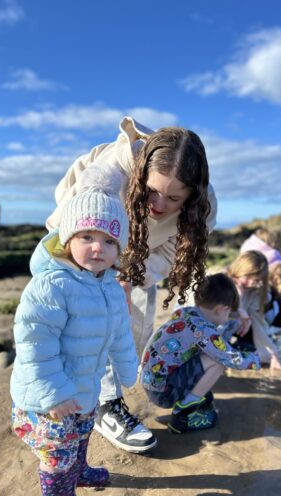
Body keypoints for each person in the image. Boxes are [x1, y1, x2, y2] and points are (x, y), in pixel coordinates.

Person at [46, 116, 217, 453]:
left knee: (134, 331)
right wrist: (105, 276)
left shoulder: (205, 205)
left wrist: (129, 277)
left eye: (173, 199)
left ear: (191, 196)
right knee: (92, 319)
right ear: (142, 174)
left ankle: (102, 390)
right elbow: (80, 217)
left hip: (141, 251)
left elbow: (170, 251)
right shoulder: (112, 171)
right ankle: (105, 405)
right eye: (152, 191)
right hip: (85, 230)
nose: (158, 204)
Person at [10, 186, 139, 496]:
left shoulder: (110, 285)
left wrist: (128, 368)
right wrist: (53, 393)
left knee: (82, 431)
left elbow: (120, 331)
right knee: (57, 451)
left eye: (110, 241)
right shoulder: (51, 286)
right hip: (48, 396)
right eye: (86, 236)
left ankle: (79, 472)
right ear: (67, 238)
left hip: (84, 386)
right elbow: (34, 345)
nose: (99, 247)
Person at [140, 273, 260, 433]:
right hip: (163, 394)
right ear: (220, 309)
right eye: (228, 312)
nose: (228, 316)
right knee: (218, 361)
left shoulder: (186, 312)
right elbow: (231, 359)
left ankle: (190, 396)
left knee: (204, 354)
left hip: (150, 382)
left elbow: (220, 319)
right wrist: (257, 358)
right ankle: (183, 412)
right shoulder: (204, 330)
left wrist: (235, 316)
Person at [224, 250, 281, 372]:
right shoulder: (222, 282)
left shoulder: (255, 292)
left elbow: (259, 324)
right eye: (246, 277)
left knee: (264, 355)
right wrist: (240, 307)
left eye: (256, 279)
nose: (250, 282)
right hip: (207, 326)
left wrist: (273, 355)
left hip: (230, 329)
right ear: (238, 270)